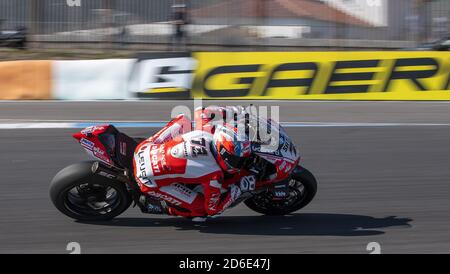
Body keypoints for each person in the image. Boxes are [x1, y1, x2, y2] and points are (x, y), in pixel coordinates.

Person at [133, 107, 256, 220]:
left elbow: (201, 111)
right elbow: (212, 209)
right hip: (147, 178)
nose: (240, 163)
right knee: (201, 211)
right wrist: (238, 189)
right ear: (225, 154)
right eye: (237, 159)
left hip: (144, 148)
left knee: (183, 119)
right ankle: (161, 206)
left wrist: (233, 112)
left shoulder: (206, 132)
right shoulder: (215, 175)